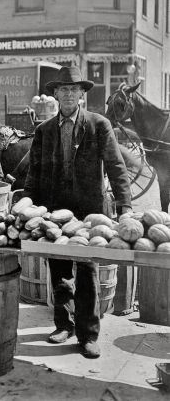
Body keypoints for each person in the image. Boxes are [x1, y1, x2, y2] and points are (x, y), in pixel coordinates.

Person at [23, 66, 132, 359]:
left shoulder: (98, 125)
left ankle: (88, 334)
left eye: (74, 90)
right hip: (55, 211)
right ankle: (64, 324)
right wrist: (28, 206)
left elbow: (116, 166)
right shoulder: (44, 130)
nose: (68, 94)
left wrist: (126, 207)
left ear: (82, 94)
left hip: (89, 213)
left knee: (87, 271)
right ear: (55, 94)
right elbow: (33, 174)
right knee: (59, 270)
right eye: (63, 89)